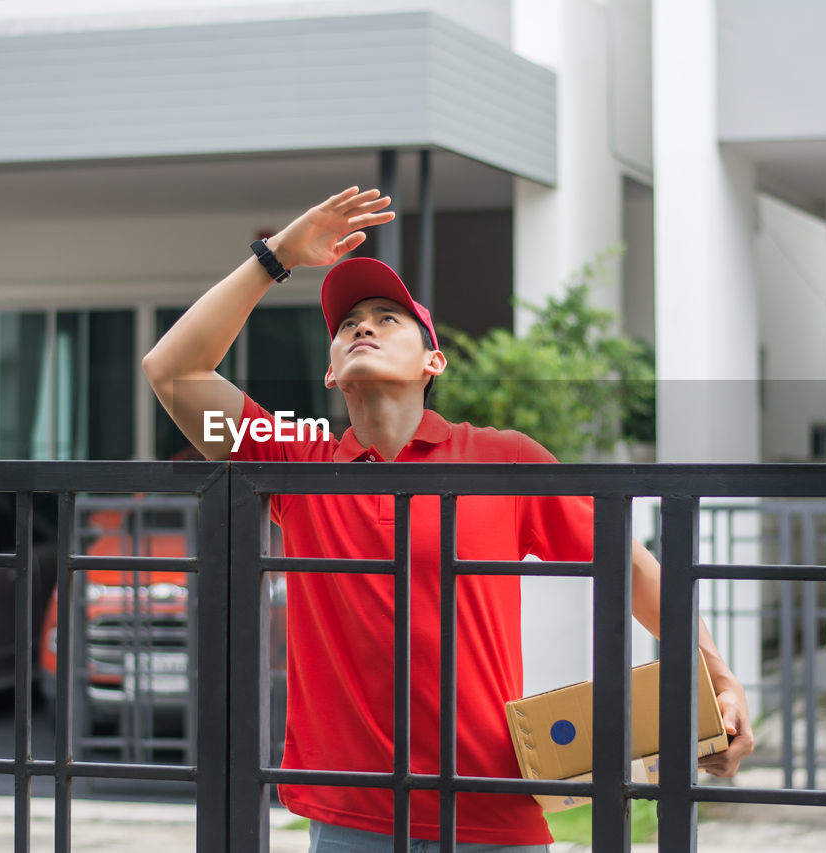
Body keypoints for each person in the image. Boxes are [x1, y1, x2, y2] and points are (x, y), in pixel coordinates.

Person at [143, 187, 753, 851]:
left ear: (432, 361)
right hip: (355, 823)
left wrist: (719, 680)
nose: (362, 327)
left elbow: (632, 566)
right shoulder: (295, 458)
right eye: (348, 325)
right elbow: (173, 369)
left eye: (387, 319)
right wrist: (279, 255)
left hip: (491, 810)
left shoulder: (502, 458)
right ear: (329, 372)